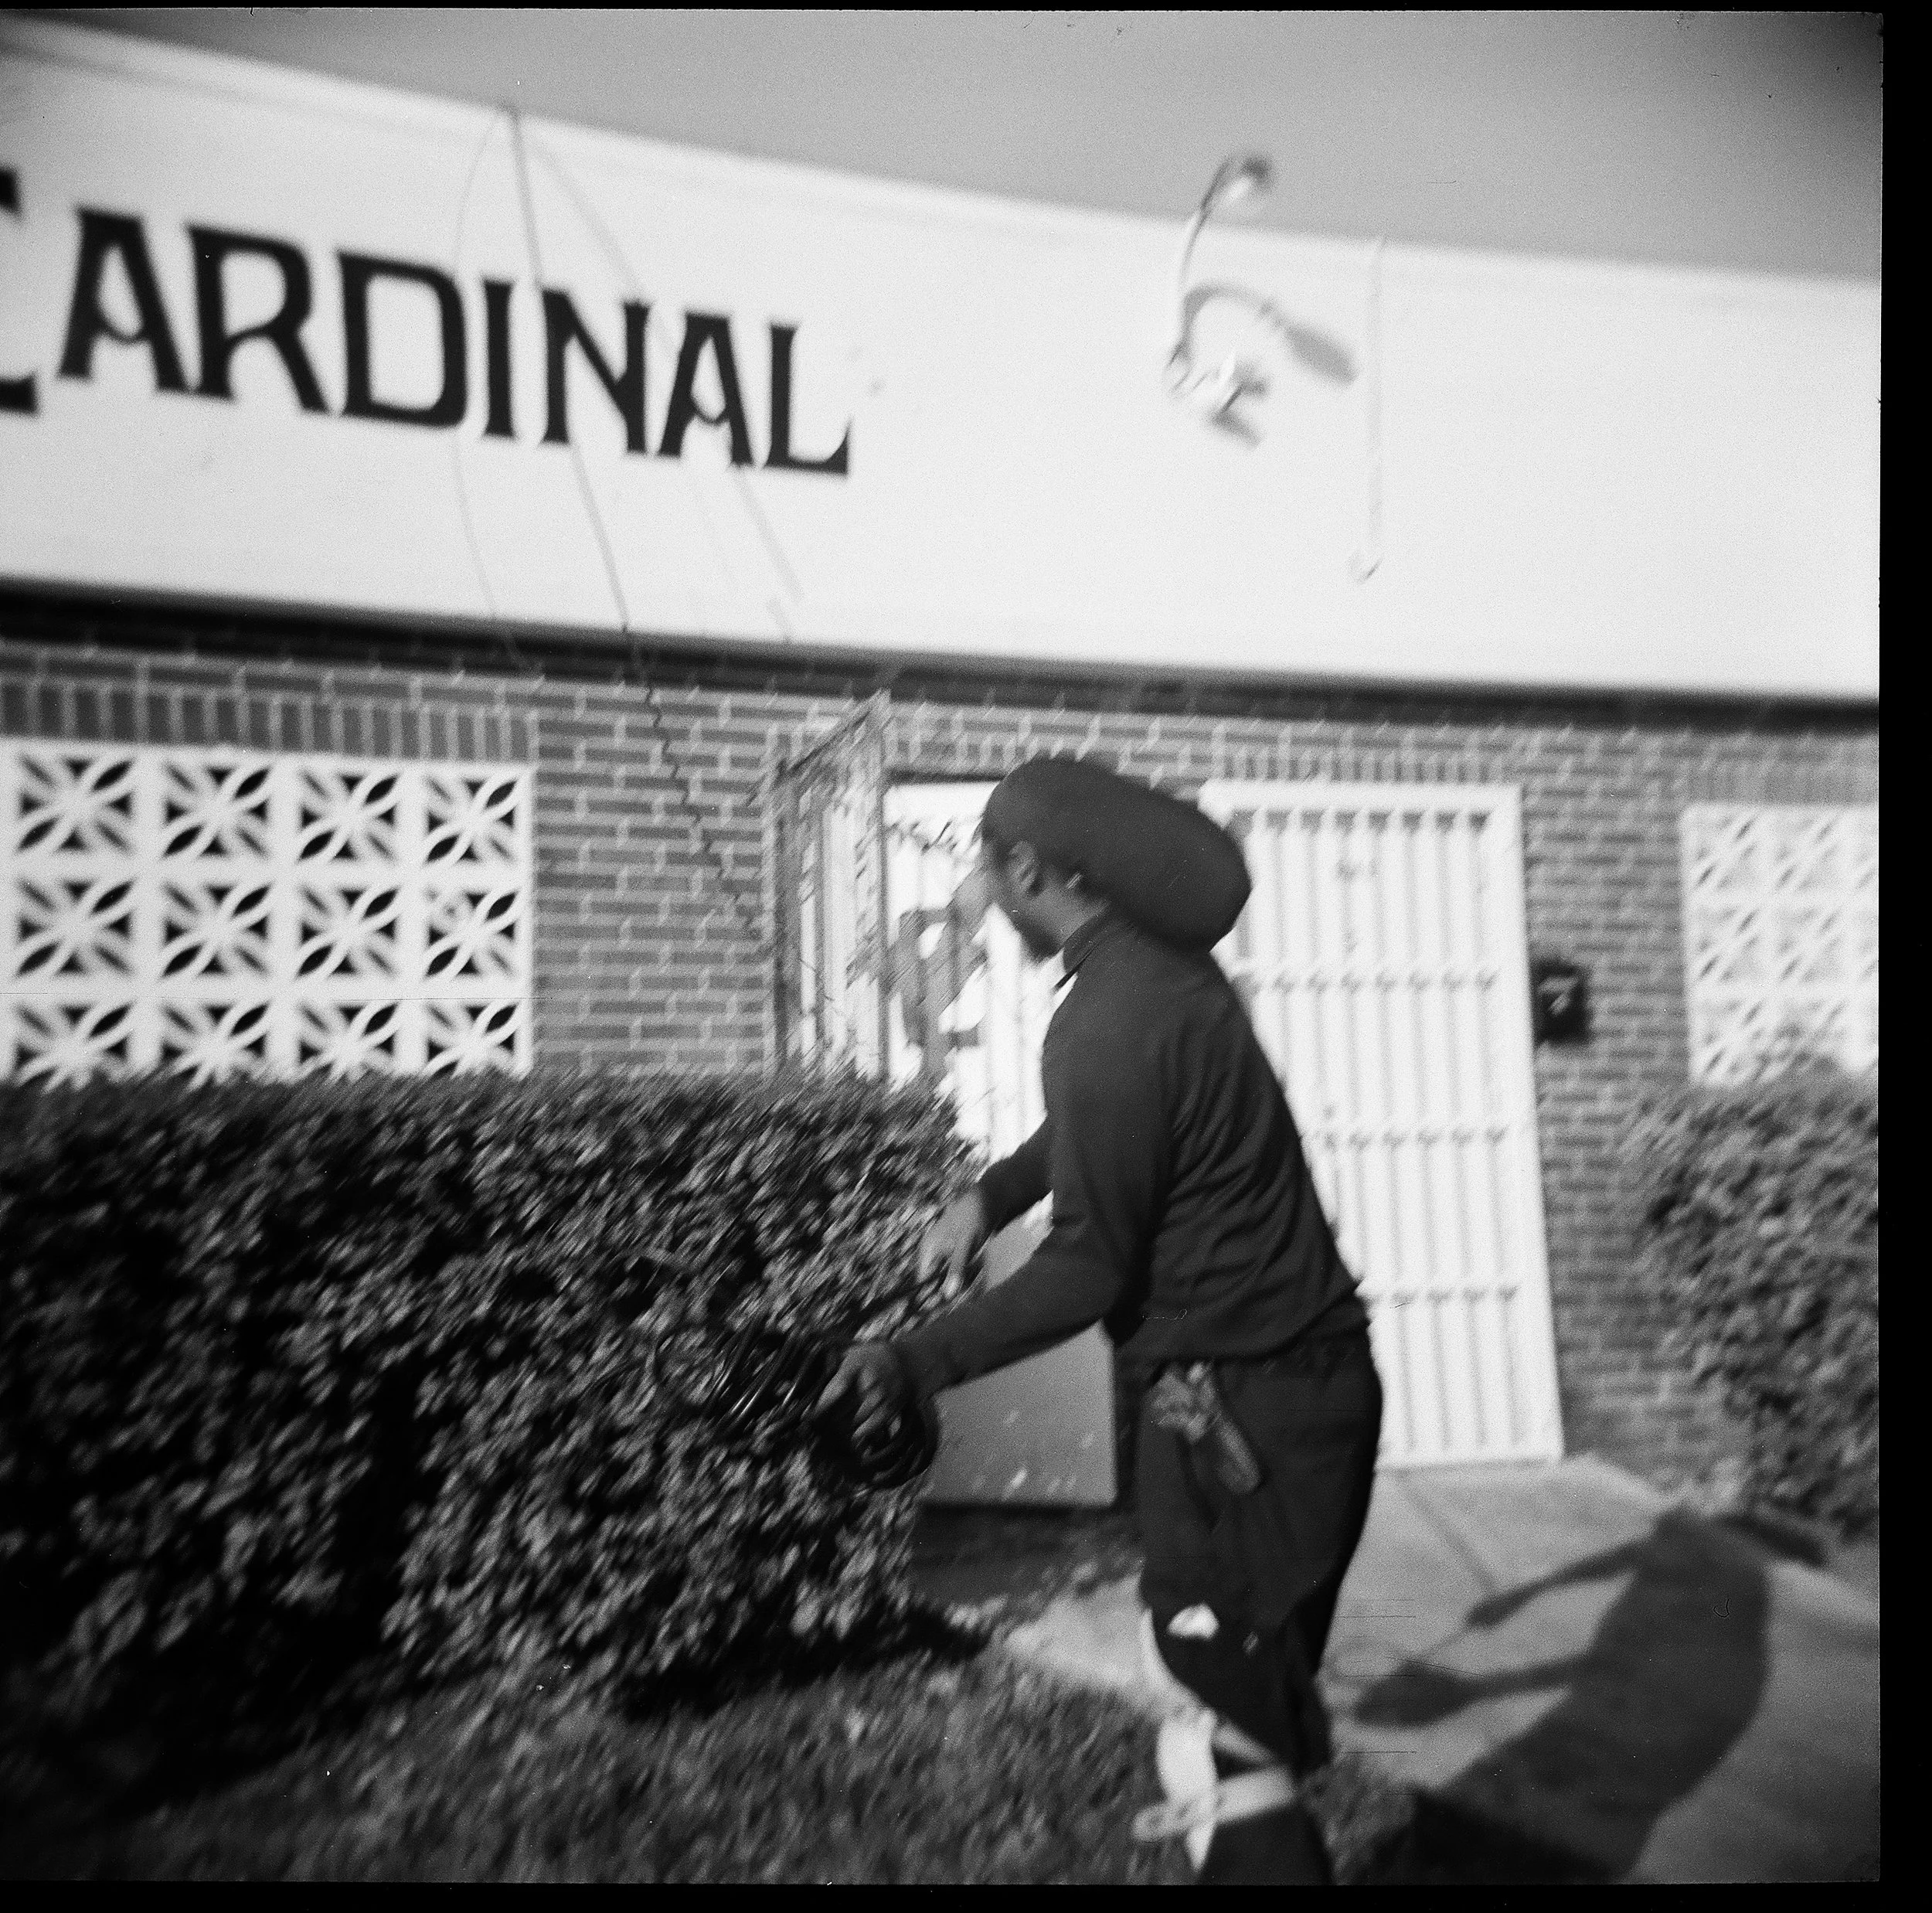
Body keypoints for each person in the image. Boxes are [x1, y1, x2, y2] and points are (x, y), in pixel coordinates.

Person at [818, 756, 1383, 1884]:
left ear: (1032, 870)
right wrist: (988, 1195)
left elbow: (1088, 1266)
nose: (984, 891)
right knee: (1208, 1704)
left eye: (989, 867)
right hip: (1243, 1396)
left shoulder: (1107, 1022)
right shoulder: (1158, 980)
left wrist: (913, 1358)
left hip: (1259, 1412)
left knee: (1221, 1731)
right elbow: (1096, 1138)